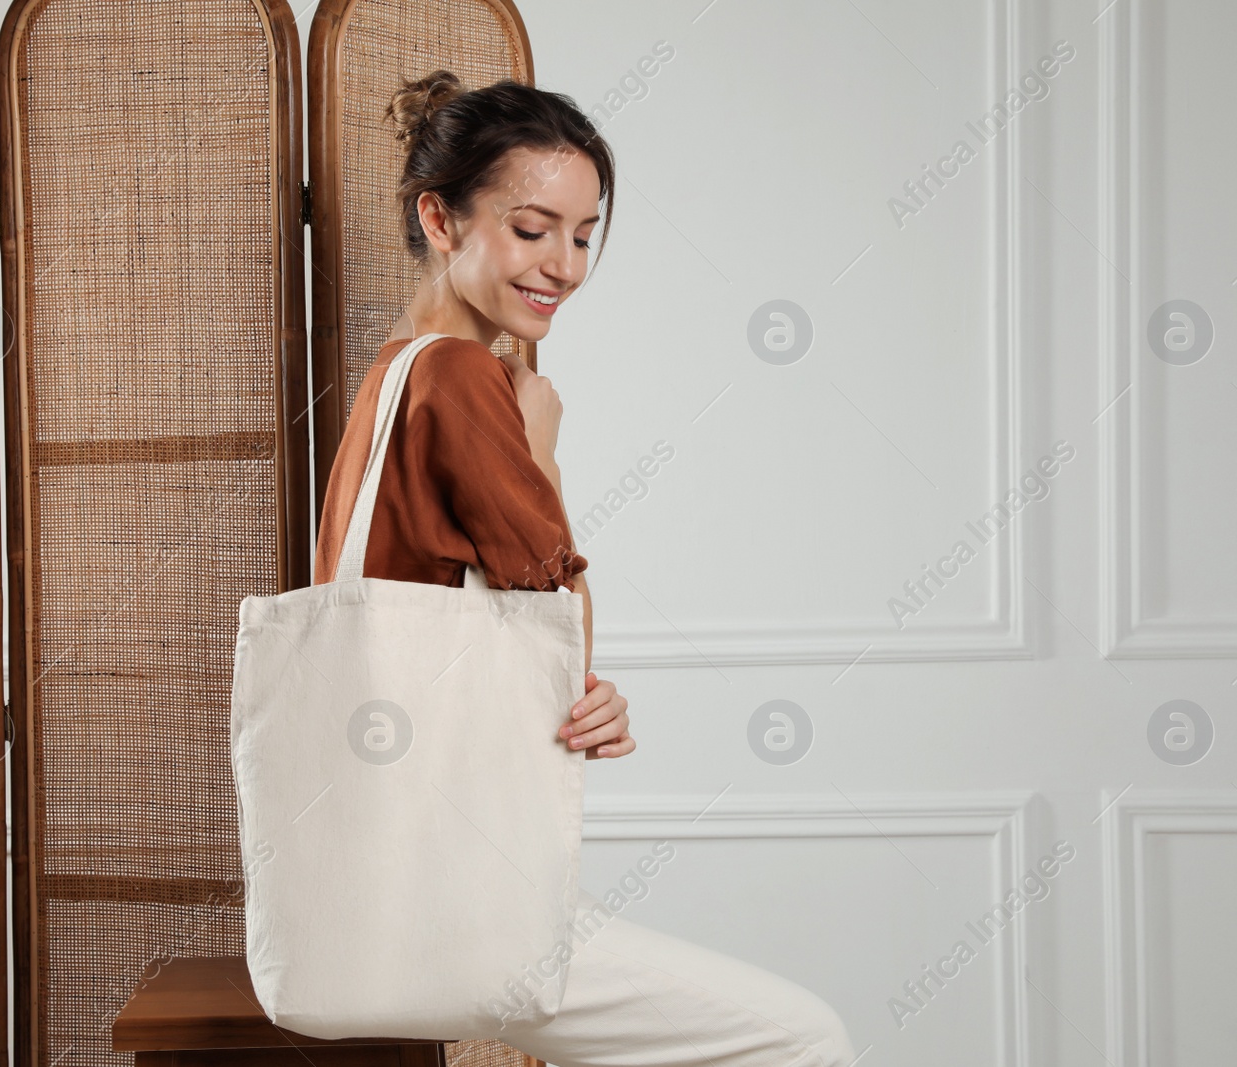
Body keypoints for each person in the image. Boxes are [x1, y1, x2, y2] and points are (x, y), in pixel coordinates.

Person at [312, 69, 856, 1067]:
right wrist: (541, 444)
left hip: (380, 876)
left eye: (582, 232)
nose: (561, 263)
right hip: (456, 898)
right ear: (440, 217)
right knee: (803, 1037)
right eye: (530, 228)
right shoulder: (462, 377)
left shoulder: (392, 371)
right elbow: (553, 646)